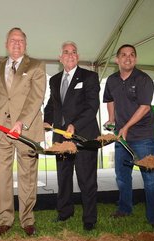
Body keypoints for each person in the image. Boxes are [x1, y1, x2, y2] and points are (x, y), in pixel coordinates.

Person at [0, 27, 46, 237]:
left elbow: (37, 98)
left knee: (27, 176)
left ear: (26, 44)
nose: (17, 44)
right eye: (13, 40)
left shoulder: (36, 66)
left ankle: (27, 220)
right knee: (3, 177)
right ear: (6, 43)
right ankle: (5, 219)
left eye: (21, 40)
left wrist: (21, 123)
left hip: (26, 131)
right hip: (0, 130)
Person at [103, 44, 154, 232]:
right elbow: (109, 100)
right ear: (117, 59)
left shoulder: (144, 79)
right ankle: (124, 208)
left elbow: (145, 107)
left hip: (143, 136)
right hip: (121, 138)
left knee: (151, 178)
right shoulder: (112, 80)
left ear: (135, 59)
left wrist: (126, 127)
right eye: (123, 55)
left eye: (131, 55)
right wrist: (112, 119)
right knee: (122, 176)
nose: (127, 58)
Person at [44, 41, 100, 231]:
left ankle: (90, 218)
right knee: (64, 177)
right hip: (61, 138)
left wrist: (75, 125)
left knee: (87, 179)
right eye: (66, 52)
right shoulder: (54, 80)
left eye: (74, 52)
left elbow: (92, 106)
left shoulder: (90, 76)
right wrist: (46, 120)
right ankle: (65, 212)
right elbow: (52, 105)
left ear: (78, 56)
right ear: (60, 58)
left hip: (84, 136)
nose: (70, 55)